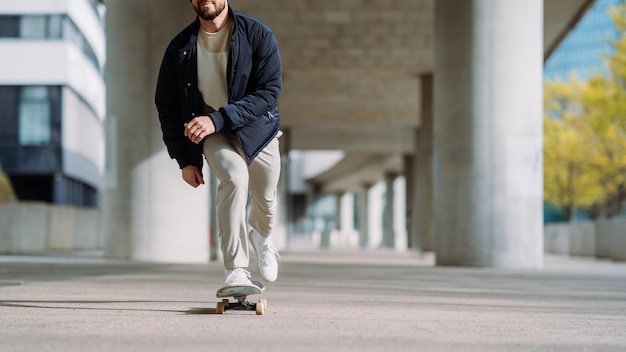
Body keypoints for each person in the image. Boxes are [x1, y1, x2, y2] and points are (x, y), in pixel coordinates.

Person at [155, 0, 282, 287]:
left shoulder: (257, 35)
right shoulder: (180, 48)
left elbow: (268, 91)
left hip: (259, 130)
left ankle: (262, 239)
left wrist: (220, 118)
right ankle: (236, 269)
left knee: (266, 199)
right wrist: (185, 160)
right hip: (215, 133)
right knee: (235, 181)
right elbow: (167, 104)